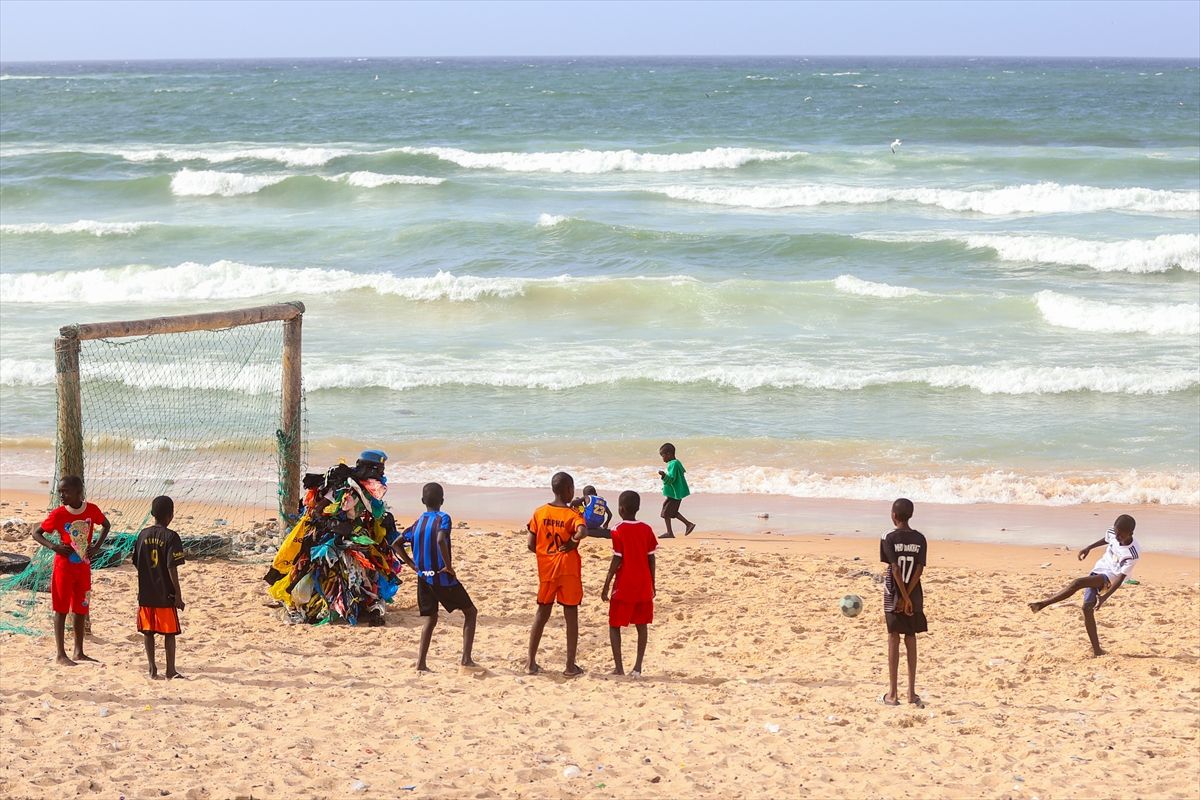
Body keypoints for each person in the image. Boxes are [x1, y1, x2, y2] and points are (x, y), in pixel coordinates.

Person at [393, 483, 478, 671]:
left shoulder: (418, 522)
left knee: (430, 619)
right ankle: (466, 659)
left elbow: (396, 544)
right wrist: (449, 566)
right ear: (442, 501)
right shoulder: (443, 518)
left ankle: (421, 663)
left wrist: (412, 564)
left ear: (423, 501)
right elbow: (440, 539)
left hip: (424, 578)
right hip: (442, 578)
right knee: (470, 612)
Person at [1029, 514, 1140, 657]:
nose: (1117, 536)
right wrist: (1089, 547)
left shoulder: (1133, 553)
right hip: (1099, 569)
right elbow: (1107, 539)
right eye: (1116, 532)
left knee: (1078, 582)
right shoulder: (1113, 532)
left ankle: (1043, 604)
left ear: (1131, 533)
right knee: (1087, 608)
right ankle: (1097, 651)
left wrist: (1104, 597)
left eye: (1121, 535)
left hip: (1111, 577)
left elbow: (1121, 578)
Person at [32, 475, 110, 666]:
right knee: (61, 608)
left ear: (78, 492)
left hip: (83, 567)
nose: (61, 495)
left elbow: (106, 525)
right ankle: (60, 654)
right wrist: (54, 547)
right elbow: (36, 533)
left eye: (65, 491)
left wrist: (97, 546)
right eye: (60, 491)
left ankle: (79, 651)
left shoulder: (92, 510)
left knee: (81, 607)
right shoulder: (59, 514)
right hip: (63, 567)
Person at [525, 471, 587, 676]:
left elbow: (530, 544)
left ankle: (530, 663)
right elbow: (582, 531)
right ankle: (570, 666)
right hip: (568, 570)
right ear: (569, 490)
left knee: (542, 614)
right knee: (571, 615)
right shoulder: (573, 515)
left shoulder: (539, 512)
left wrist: (546, 553)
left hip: (547, 570)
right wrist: (573, 541)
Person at [601, 490, 657, 676]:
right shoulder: (647, 529)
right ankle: (638, 667)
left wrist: (607, 583)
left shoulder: (617, 530)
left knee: (614, 624)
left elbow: (617, 560)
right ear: (638, 508)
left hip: (624, 585)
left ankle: (619, 667)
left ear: (621, 509)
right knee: (642, 625)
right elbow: (651, 559)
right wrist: (653, 583)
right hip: (643, 584)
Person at [880, 498, 927, 707]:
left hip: (894, 593)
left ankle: (893, 694)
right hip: (914, 593)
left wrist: (901, 598)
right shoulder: (920, 539)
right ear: (911, 515)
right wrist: (909, 597)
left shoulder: (888, 537)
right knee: (911, 637)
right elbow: (919, 570)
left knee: (893, 637)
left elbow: (895, 569)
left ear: (894, 515)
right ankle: (911, 693)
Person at [132, 496, 186, 679]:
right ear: (170, 515)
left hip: (146, 593)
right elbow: (172, 567)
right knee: (169, 633)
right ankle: (170, 670)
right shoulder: (171, 537)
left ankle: (152, 668)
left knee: (148, 632)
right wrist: (178, 595)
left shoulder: (142, 535)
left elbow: (137, 562)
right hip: (165, 594)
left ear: (152, 514)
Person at [657, 442, 695, 539]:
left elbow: (672, 479)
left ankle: (672, 531)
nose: (663, 459)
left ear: (669, 454)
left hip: (675, 494)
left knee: (666, 512)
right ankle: (687, 525)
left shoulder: (673, 464)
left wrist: (664, 475)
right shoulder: (675, 463)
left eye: (663, 456)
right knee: (670, 511)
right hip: (675, 493)